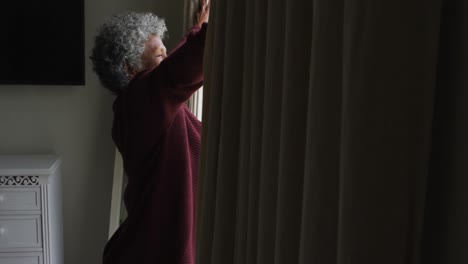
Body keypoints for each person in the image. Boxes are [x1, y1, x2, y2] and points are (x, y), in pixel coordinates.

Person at [90, 2, 209, 263]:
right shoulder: (140, 103)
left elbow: (171, 67)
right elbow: (180, 69)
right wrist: (210, 30)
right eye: (159, 56)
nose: (166, 60)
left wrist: (196, 27)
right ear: (131, 69)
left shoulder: (140, 106)